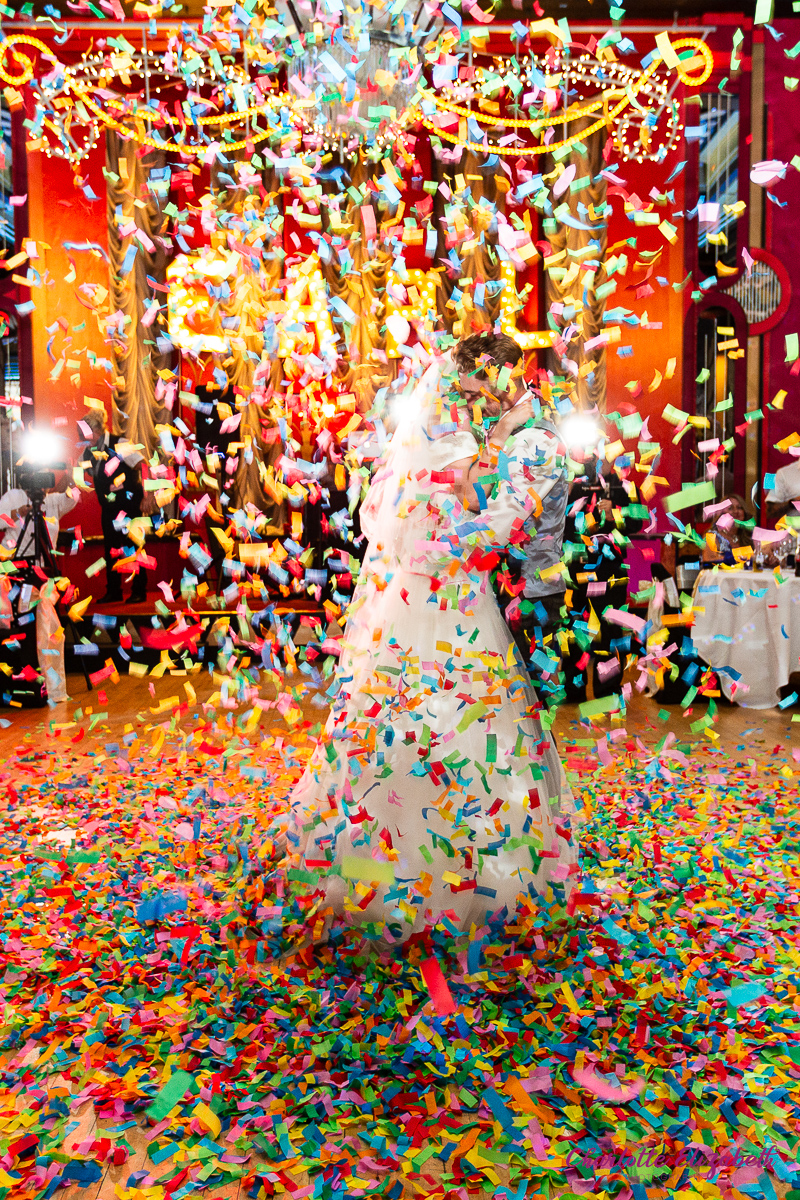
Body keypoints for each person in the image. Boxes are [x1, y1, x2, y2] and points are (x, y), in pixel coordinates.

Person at [260, 351, 578, 945]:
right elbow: (473, 523)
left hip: (415, 600)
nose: (495, 394)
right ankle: (458, 870)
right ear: (477, 379)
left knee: (405, 719)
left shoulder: (434, 441)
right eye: (491, 382)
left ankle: (379, 861)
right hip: (448, 600)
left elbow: (403, 524)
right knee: (456, 724)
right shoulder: (461, 446)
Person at [453, 334, 569, 704]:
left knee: (529, 719)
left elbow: (503, 522)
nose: (469, 403)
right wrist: (499, 433)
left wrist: (443, 546)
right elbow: (475, 499)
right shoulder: (504, 428)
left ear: (500, 379)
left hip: (531, 600)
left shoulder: (538, 438)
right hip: (499, 591)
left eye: (473, 394)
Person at [561, 455, 643, 703]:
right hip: (577, 568)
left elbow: (637, 522)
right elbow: (558, 524)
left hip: (611, 572)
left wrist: (615, 514)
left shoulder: (625, 487)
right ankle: (574, 690)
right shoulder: (571, 484)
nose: (596, 461)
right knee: (574, 630)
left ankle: (606, 690)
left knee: (609, 629)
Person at [80, 409, 148, 604]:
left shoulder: (121, 443)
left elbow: (143, 466)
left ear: (96, 429)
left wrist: (148, 494)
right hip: (108, 508)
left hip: (129, 505)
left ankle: (138, 590)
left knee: (133, 547)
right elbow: (74, 473)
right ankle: (114, 591)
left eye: (86, 433)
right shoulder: (88, 451)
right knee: (111, 549)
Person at [0, 480, 77, 559]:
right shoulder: (14, 496)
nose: (42, 487)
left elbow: (73, 496)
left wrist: (71, 477)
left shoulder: (53, 500)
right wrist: (19, 512)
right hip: (13, 559)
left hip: (44, 561)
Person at [702, 494, 753, 565]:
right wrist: (738, 557)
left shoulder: (748, 536)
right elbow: (708, 559)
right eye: (730, 508)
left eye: (739, 508)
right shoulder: (711, 536)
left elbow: (760, 556)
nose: (736, 511)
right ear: (721, 514)